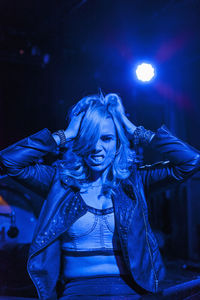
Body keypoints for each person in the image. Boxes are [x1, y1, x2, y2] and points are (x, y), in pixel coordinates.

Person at [0, 93, 199, 300]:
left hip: (134, 293)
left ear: (118, 143)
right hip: (78, 293)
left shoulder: (135, 181)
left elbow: (191, 162)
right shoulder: (59, 182)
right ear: (79, 142)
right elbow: (8, 162)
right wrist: (65, 134)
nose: (97, 148)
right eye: (89, 139)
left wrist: (134, 130)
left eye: (106, 138)